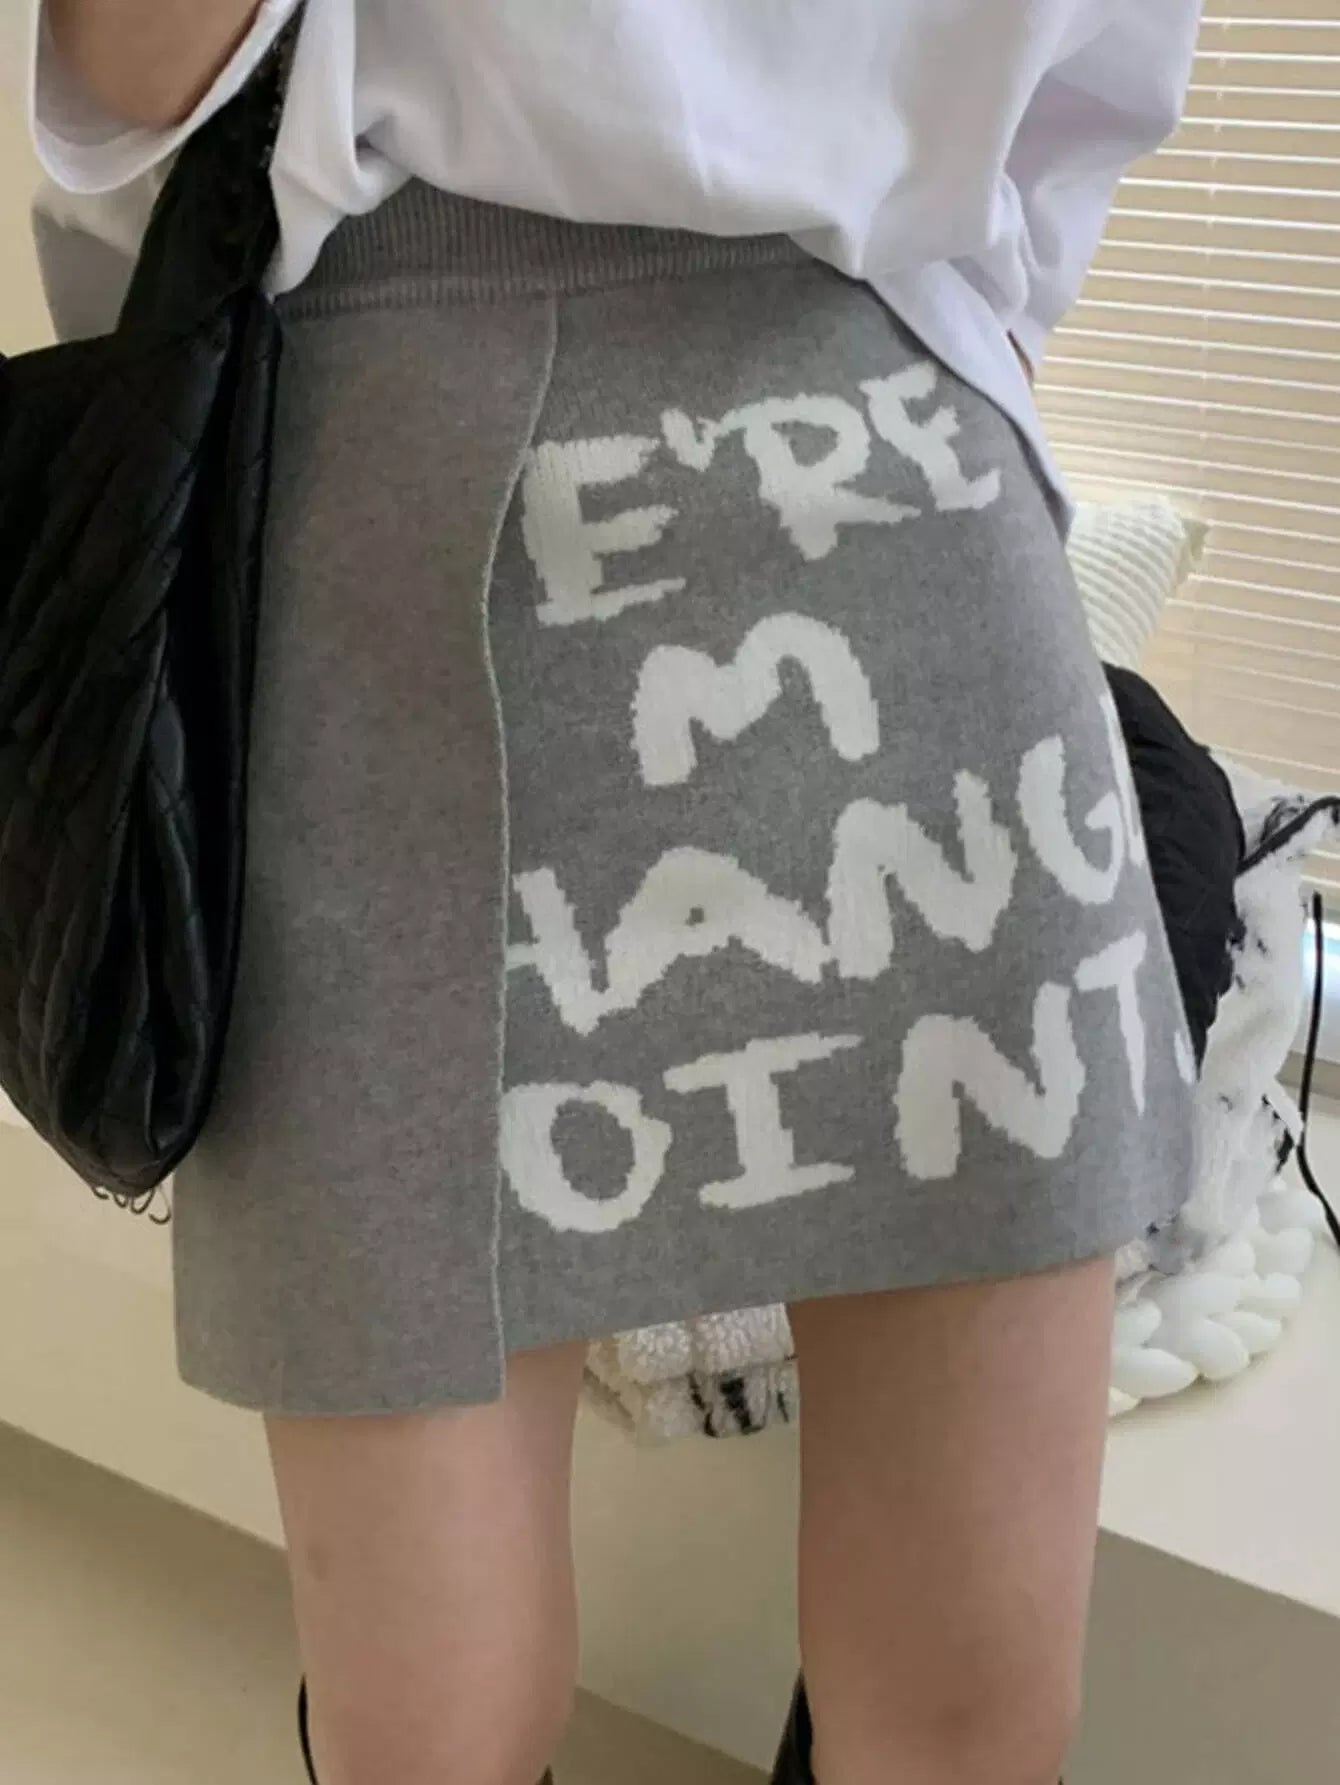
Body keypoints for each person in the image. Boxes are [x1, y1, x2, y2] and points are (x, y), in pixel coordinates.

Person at [31, 4, 1205, 1782]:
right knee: (426, 1724)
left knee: (967, 1714)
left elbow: (1094, 87)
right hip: (383, 564)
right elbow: (140, 77)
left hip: (914, 502)